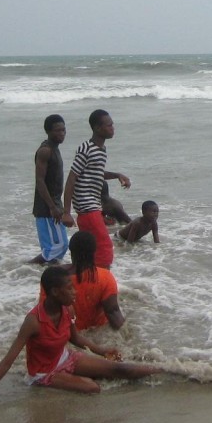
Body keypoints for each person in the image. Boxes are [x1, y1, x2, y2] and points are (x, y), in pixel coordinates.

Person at [0, 266, 160, 404]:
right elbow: (7, 361)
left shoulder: (68, 310)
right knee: (93, 388)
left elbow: (75, 339)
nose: (74, 292)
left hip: (66, 358)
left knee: (120, 370)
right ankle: (48, 386)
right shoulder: (33, 321)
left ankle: (166, 369)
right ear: (55, 292)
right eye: (69, 288)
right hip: (44, 374)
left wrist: (102, 350)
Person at [62, 110, 130, 269]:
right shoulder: (86, 148)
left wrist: (117, 175)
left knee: (91, 251)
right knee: (105, 250)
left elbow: (97, 173)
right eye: (109, 125)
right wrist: (66, 212)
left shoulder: (101, 150)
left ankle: (88, 283)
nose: (113, 128)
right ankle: (102, 284)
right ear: (97, 128)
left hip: (93, 208)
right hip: (87, 208)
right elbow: (72, 178)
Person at [63, 230, 125, 330]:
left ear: (70, 250)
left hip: (70, 334)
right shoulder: (105, 277)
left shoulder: (55, 276)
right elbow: (113, 314)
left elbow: (45, 312)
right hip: (97, 333)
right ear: (94, 251)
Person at [31, 114, 72, 264]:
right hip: (46, 208)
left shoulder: (55, 148)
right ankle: (25, 269)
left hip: (54, 205)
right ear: (48, 131)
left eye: (63, 130)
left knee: (56, 248)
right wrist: (52, 207)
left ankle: (46, 275)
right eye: (57, 130)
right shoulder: (45, 151)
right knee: (58, 247)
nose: (62, 133)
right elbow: (40, 181)